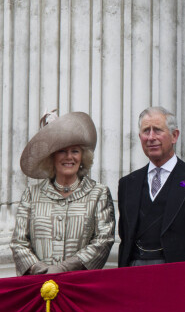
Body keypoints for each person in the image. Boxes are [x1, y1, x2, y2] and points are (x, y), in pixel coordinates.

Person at [117, 106, 185, 267]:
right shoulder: (128, 184)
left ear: (174, 136)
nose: (151, 137)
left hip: (182, 276)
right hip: (136, 275)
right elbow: (125, 241)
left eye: (157, 130)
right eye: (146, 131)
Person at [11, 110, 115, 275]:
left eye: (75, 151)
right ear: (51, 156)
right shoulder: (31, 195)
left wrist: (64, 268)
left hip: (80, 287)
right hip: (39, 286)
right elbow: (19, 242)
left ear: (82, 156)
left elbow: (103, 240)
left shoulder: (98, 193)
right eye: (62, 151)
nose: (69, 157)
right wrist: (41, 269)